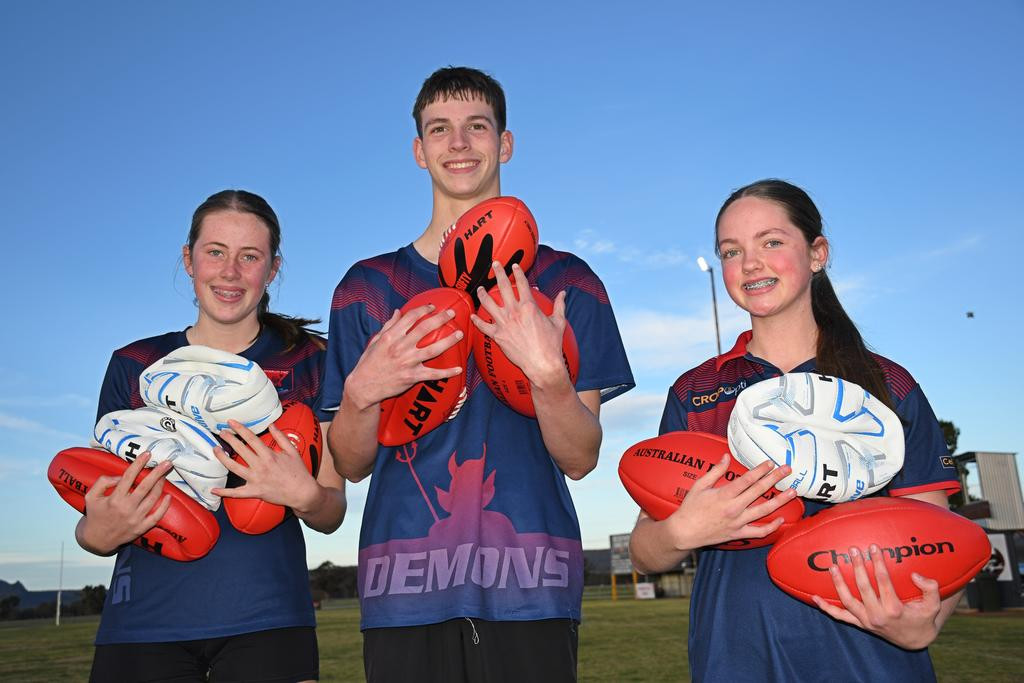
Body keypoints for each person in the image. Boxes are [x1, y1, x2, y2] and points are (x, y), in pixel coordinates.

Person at [323, 66, 634, 682]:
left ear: (505, 143)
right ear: (419, 150)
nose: (458, 143)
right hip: (404, 581)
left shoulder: (567, 280)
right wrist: (362, 393)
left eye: (476, 127)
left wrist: (547, 375)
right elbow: (351, 463)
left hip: (531, 579)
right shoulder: (367, 289)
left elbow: (580, 456)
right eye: (440, 129)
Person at [629, 179, 962, 682]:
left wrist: (926, 623)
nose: (751, 263)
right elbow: (644, 552)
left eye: (772, 242)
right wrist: (683, 531)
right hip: (735, 661)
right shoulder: (696, 392)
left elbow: (945, 540)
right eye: (731, 251)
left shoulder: (886, 384)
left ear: (817, 253)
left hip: (871, 662)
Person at [78, 189, 346, 683]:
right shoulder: (134, 364)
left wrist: (301, 493)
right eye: (215, 252)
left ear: (273, 269)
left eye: (250, 257)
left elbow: (331, 511)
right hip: (142, 625)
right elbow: (96, 527)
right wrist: (98, 531)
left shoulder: (311, 360)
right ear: (189, 259)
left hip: (268, 621)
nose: (230, 271)